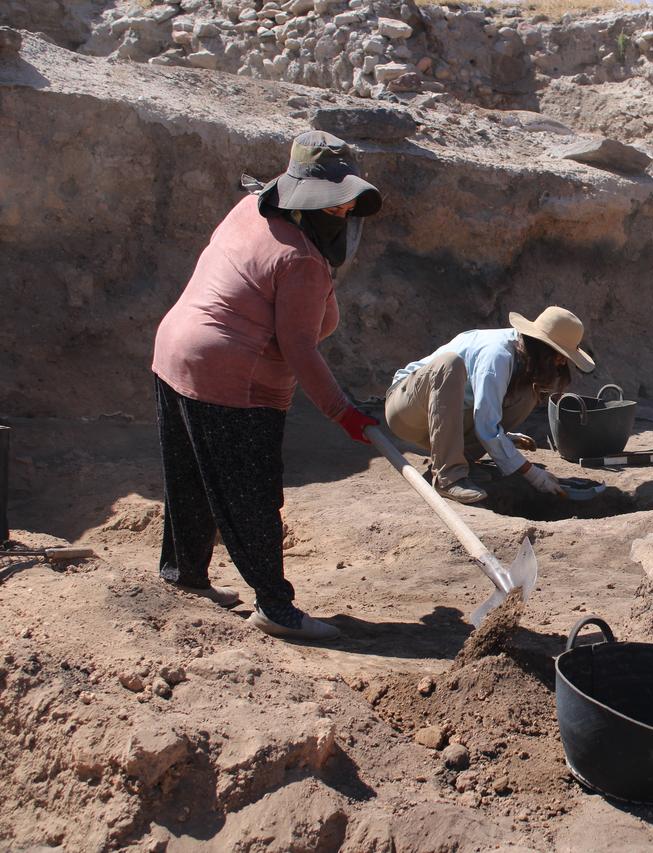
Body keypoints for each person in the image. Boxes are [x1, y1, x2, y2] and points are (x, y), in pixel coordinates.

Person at [151, 131, 382, 641]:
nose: (342, 215)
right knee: (249, 491)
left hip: (174, 351)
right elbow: (302, 346)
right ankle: (275, 607)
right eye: (337, 206)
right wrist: (344, 413)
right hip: (232, 376)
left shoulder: (252, 207)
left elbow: (313, 321)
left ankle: (184, 576)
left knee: (191, 476)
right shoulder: (301, 259)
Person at [384, 307, 594, 503]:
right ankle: (448, 476)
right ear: (544, 348)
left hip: (442, 418)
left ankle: (462, 459)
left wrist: (505, 438)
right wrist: (533, 474)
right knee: (449, 364)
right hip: (407, 410)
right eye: (560, 356)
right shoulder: (497, 355)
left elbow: (485, 413)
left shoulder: (520, 354)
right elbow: (486, 424)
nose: (561, 364)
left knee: (530, 392)